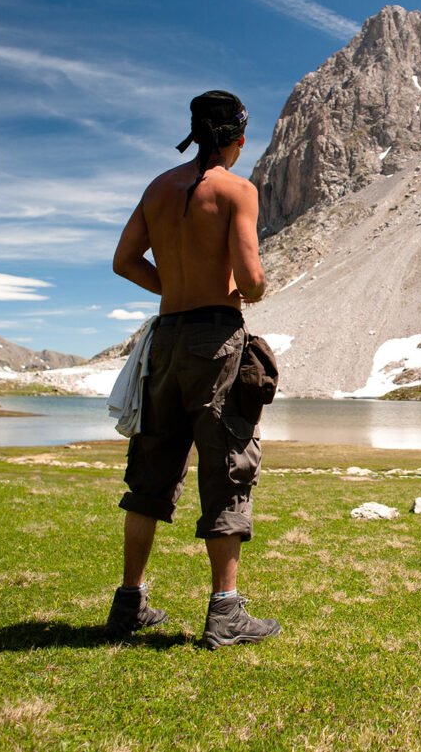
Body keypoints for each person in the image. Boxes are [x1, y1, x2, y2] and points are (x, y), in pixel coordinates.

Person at [105, 89, 280, 649]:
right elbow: (250, 279)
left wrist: (173, 288)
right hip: (215, 338)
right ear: (238, 138)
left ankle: (129, 602)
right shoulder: (237, 189)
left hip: (165, 337)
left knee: (151, 468)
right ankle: (225, 611)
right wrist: (236, 288)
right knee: (228, 464)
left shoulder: (159, 187)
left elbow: (123, 260)